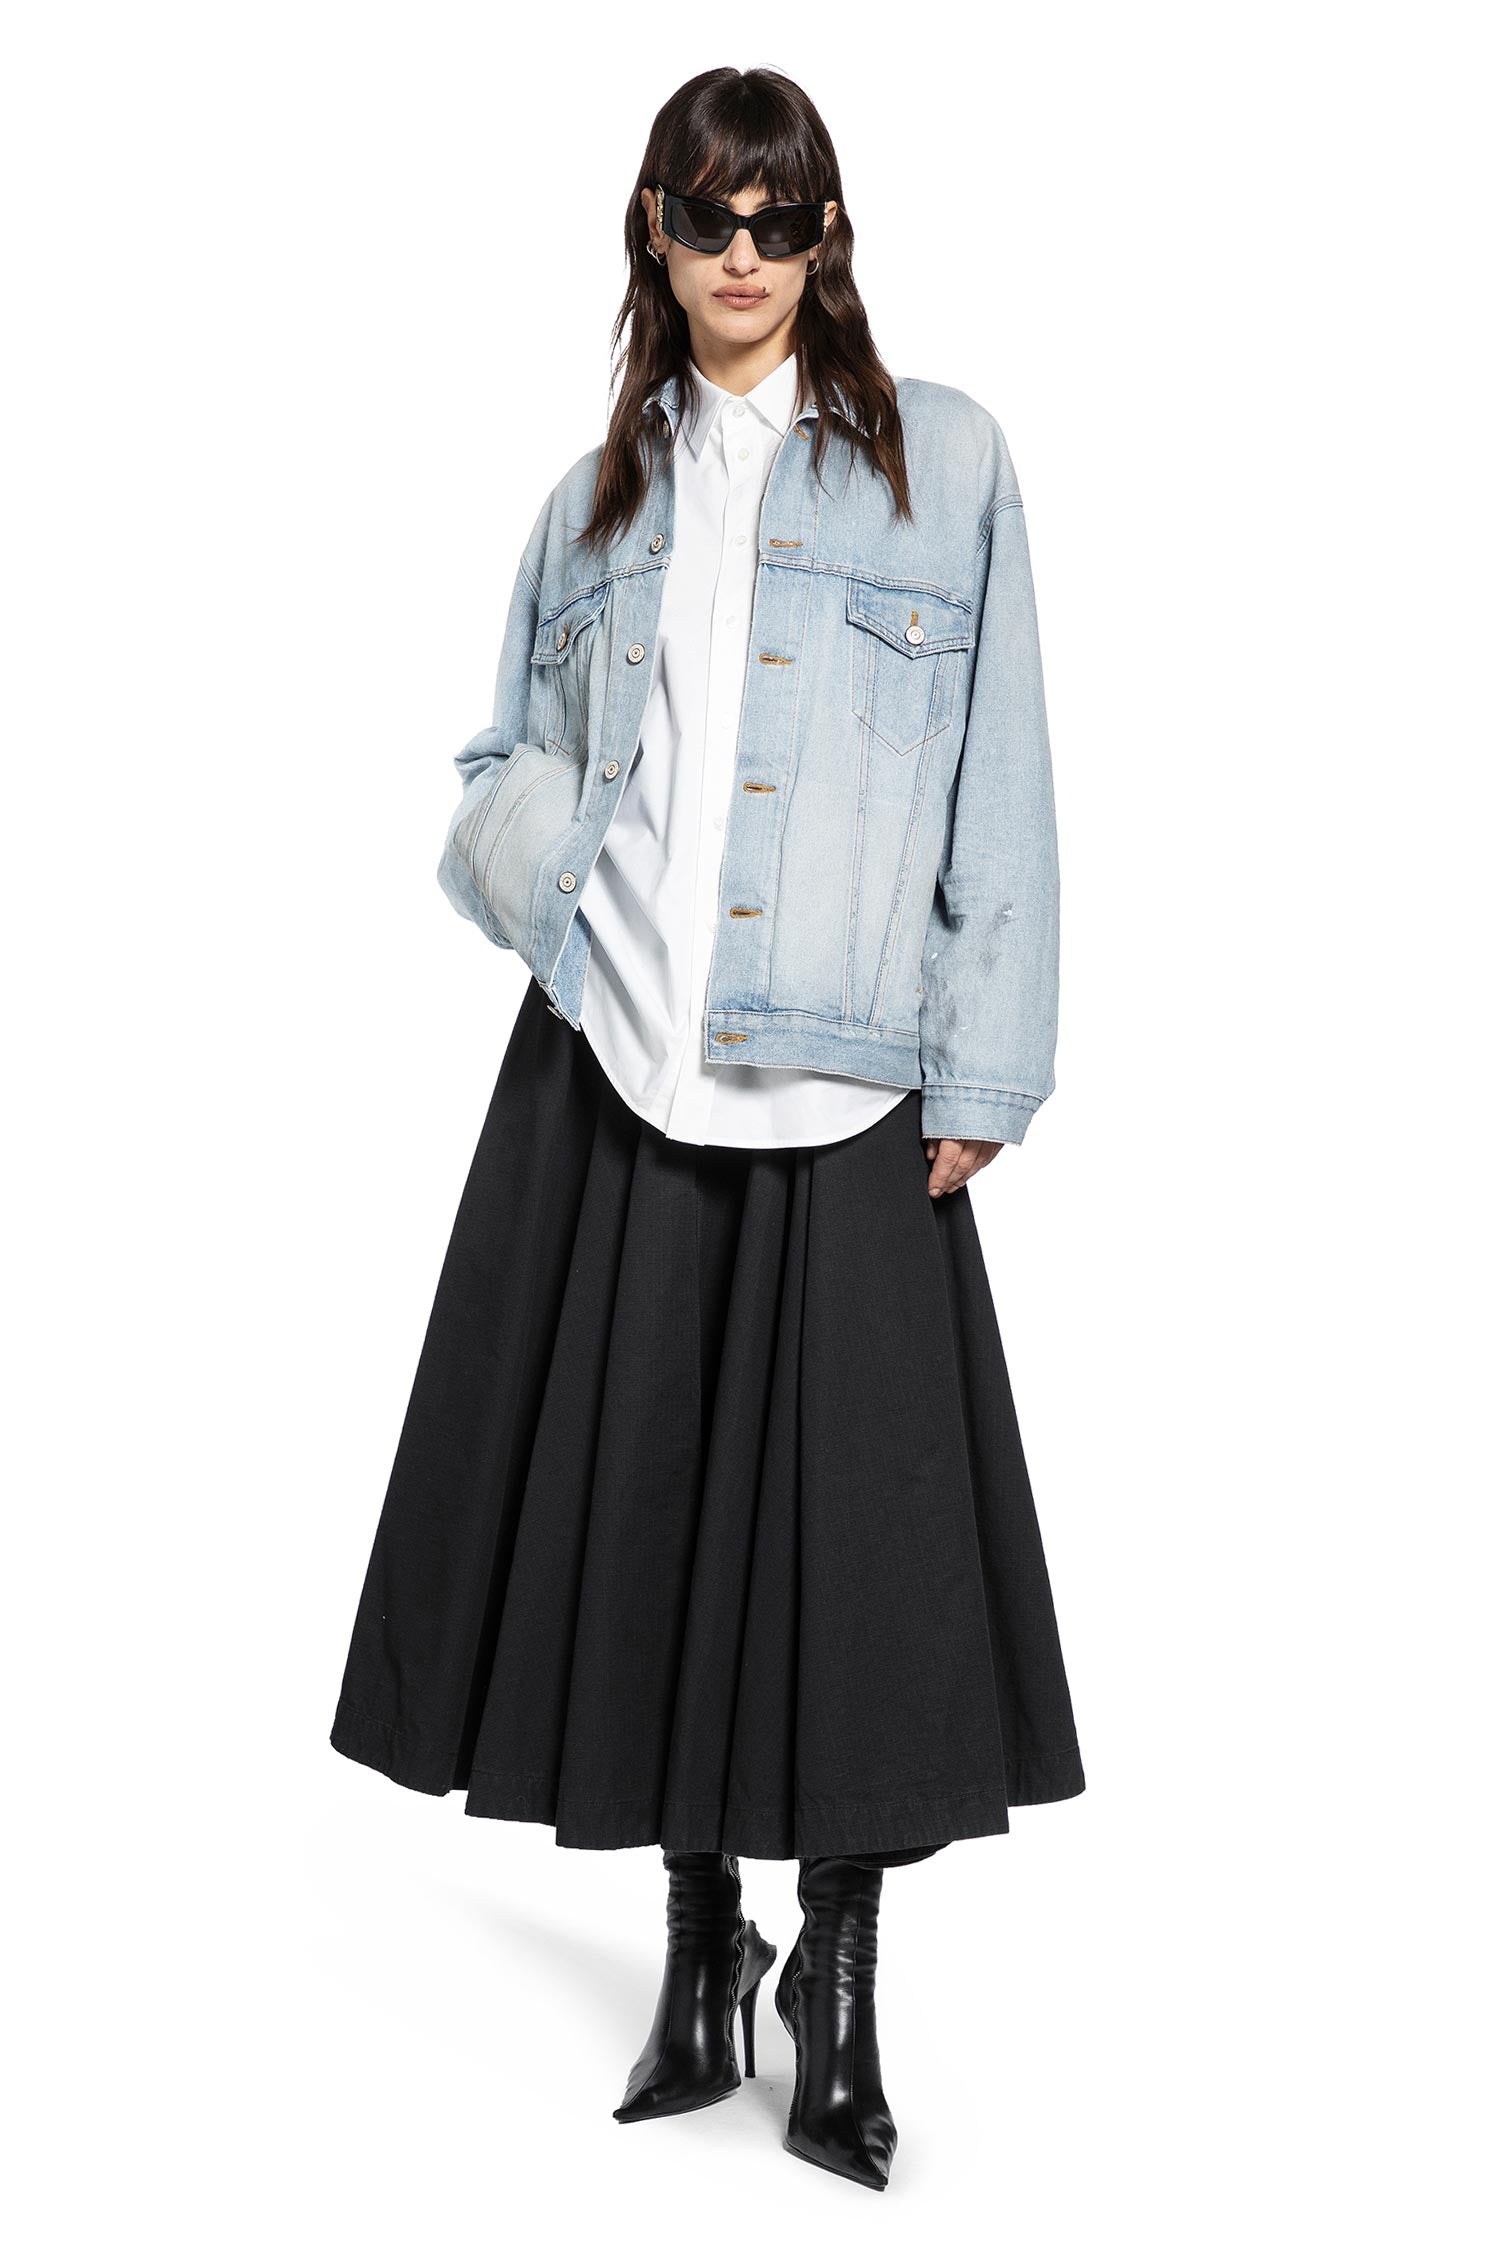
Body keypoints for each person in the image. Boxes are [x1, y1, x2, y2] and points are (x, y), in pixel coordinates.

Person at [330, 64, 1084, 2192]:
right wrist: (563, 885)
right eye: (705, 218)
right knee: (646, 1517)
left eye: (780, 219)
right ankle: (697, 1943)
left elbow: (1004, 780)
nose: (743, 255)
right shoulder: (592, 504)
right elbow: (500, 765)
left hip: (846, 1086)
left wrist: (986, 1069)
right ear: (653, 237)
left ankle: (837, 1976)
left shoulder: (949, 460)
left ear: (827, 237)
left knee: (856, 1560)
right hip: (620, 1072)